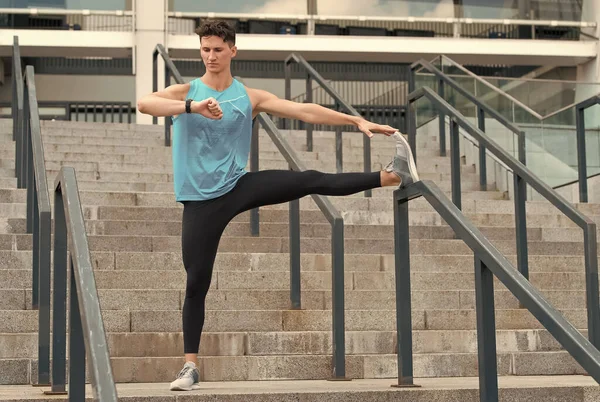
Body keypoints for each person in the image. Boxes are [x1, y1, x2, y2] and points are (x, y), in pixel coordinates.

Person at [137, 19, 419, 392]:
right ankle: (190, 366)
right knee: (196, 281)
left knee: (308, 179)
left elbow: (304, 111)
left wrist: (354, 119)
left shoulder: (248, 97)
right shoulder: (187, 90)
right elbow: (144, 103)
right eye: (205, 49)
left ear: (232, 50)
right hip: (200, 202)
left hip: (238, 185)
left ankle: (391, 176)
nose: (210, 56)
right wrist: (192, 107)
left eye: (218, 49)